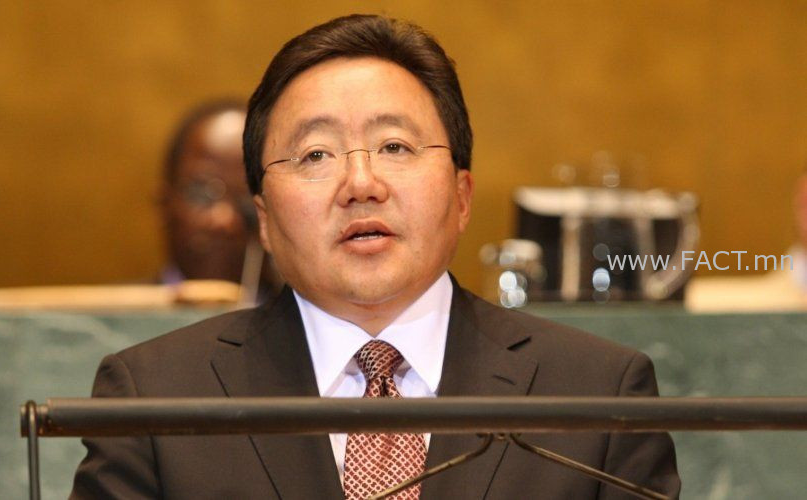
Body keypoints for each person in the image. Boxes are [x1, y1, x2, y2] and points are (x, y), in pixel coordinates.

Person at [71, 14, 680, 499]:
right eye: (315, 155)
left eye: (395, 146)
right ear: (265, 218)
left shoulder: (598, 394)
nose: (361, 183)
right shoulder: (157, 399)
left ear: (462, 196)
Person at [158, 100, 279, 300]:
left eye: (247, 196)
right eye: (201, 193)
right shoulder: (115, 314)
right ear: (164, 203)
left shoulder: (309, 316)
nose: (224, 221)